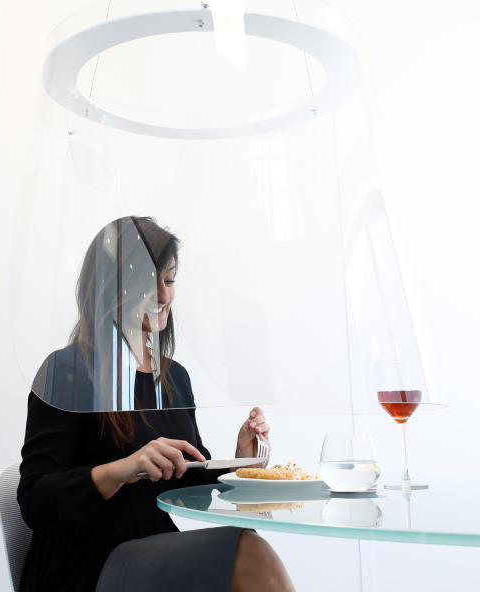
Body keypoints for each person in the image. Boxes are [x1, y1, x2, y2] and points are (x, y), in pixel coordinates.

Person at [17, 216, 295, 591]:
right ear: (112, 288)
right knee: (250, 555)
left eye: (169, 280)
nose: (164, 296)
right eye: (150, 282)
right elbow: (35, 500)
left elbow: (190, 476)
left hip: (154, 545)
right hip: (86, 561)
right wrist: (122, 469)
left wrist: (240, 459)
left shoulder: (173, 377)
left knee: (249, 551)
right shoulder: (65, 372)